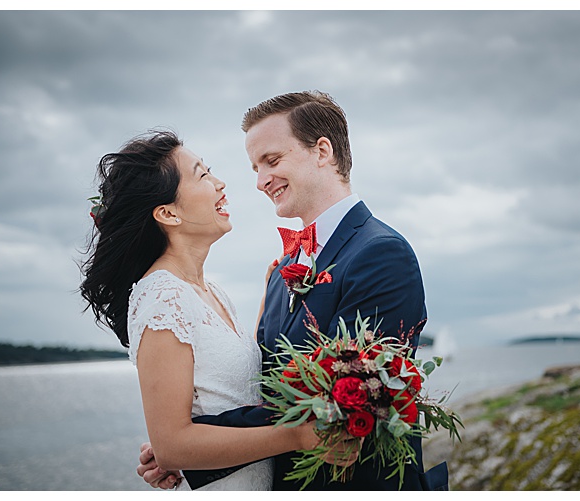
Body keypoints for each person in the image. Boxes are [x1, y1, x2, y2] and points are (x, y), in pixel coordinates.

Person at [135, 91, 440, 490]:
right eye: (255, 167)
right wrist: (186, 446)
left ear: (322, 151)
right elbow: (269, 388)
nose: (260, 182)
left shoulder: (381, 253)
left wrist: (184, 444)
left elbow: (345, 402)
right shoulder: (282, 272)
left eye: (272, 161)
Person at [80, 130, 333, 490]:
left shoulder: (209, 292)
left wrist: (270, 300)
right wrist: (297, 436)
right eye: (202, 175)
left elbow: (228, 393)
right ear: (168, 213)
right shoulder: (162, 298)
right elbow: (172, 446)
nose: (219, 183)